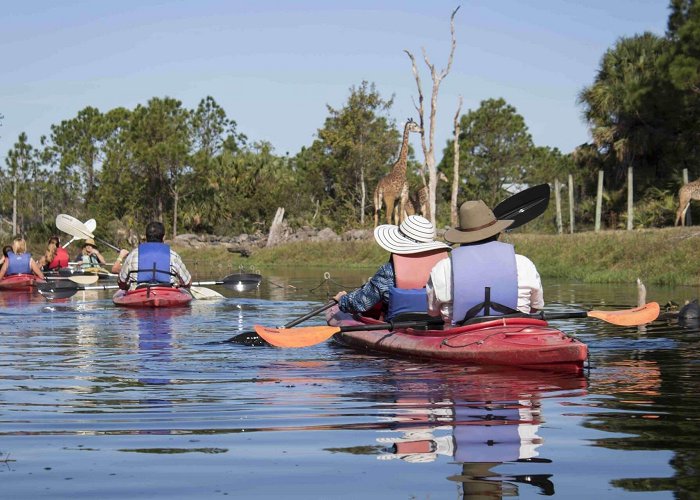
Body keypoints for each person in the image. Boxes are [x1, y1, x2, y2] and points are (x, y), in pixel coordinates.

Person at [427, 200, 543, 325]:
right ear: (497, 233)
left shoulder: (443, 267)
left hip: (458, 335)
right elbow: (535, 307)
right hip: (516, 331)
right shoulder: (524, 264)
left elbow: (433, 312)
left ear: (462, 237)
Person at [333, 215, 450, 320]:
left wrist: (342, 299)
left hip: (398, 325)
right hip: (437, 322)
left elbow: (361, 302)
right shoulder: (444, 267)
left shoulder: (388, 271)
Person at [114, 221, 192, 290]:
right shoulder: (173, 256)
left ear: (146, 236)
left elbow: (121, 282)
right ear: (163, 237)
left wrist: (126, 287)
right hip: (166, 292)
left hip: (138, 293)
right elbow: (187, 282)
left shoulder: (133, 255)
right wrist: (179, 285)